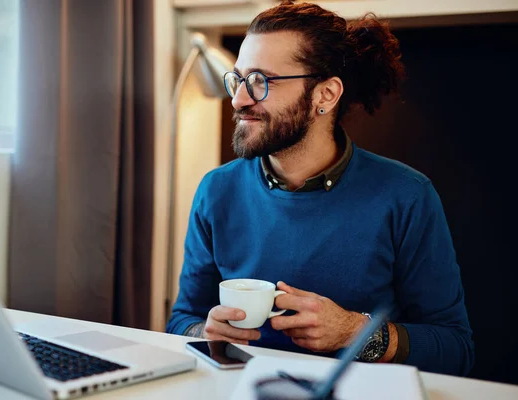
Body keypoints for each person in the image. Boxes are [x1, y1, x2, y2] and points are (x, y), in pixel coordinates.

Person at [166, 0, 474, 376]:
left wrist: (353, 332)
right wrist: (206, 330)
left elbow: (455, 348)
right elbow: (182, 320)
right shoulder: (216, 190)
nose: (239, 99)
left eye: (261, 81)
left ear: (325, 95)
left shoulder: (407, 196)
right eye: (239, 79)